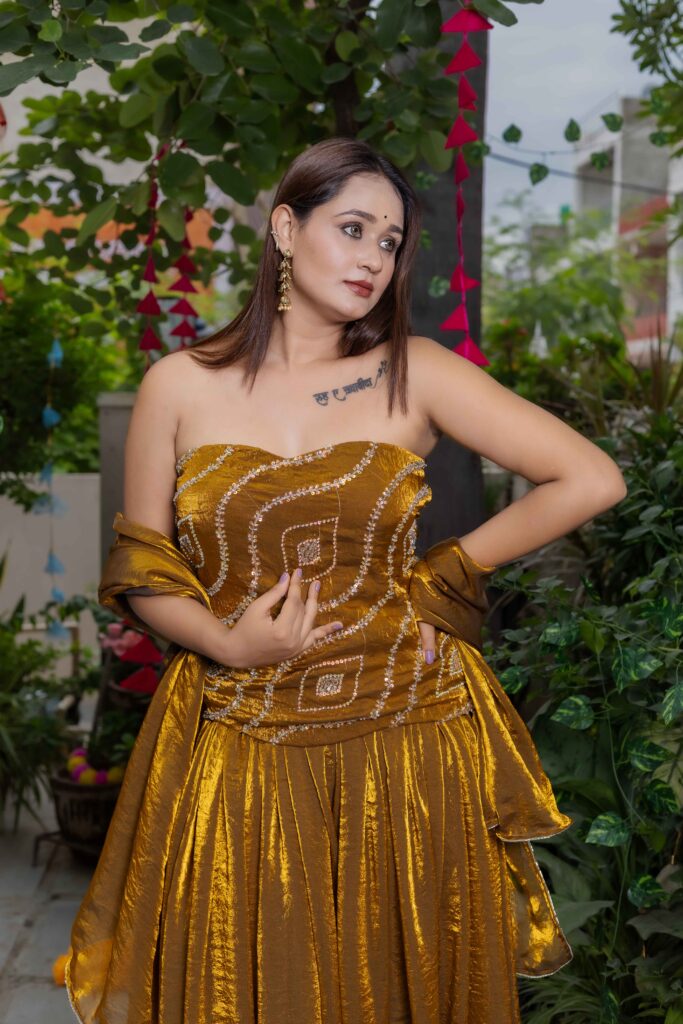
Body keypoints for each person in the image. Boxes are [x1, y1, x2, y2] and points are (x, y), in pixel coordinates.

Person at [65, 136, 627, 1024]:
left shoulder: (415, 371)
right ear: (287, 229)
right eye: (353, 228)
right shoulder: (179, 384)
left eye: (390, 242)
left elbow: (590, 477)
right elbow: (143, 566)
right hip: (241, 737)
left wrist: (443, 573)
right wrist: (226, 642)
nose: (373, 258)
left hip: (405, 738)